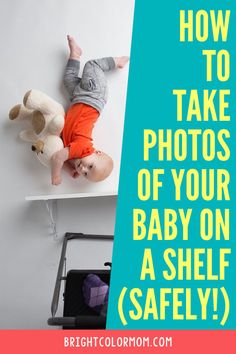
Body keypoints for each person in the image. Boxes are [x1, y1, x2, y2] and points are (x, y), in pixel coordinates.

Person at [51, 35, 129, 185]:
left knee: (68, 80)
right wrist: (56, 176)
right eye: (90, 166)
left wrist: (70, 170)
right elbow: (57, 158)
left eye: (85, 174)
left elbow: (65, 157)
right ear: (96, 153)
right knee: (92, 65)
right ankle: (117, 61)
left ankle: (75, 54)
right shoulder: (82, 148)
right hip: (93, 96)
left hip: (78, 98)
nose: (83, 169)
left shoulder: (76, 154)